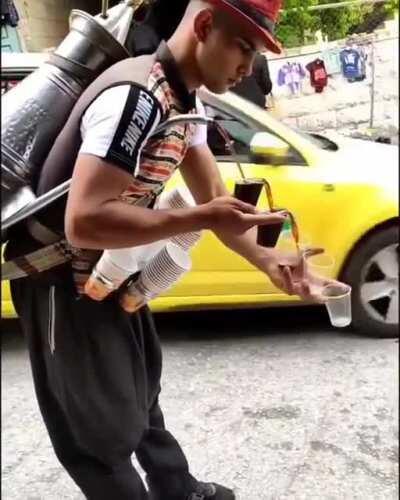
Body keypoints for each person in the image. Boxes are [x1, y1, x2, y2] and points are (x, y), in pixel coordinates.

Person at [6, 1, 333, 499]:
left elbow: (214, 199)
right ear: (203, 26)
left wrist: (271, 261)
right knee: (96, 435)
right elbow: (84, 219)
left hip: (113, 269)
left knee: (142, 387)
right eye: (242, 47)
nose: (249, 67)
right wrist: (202, 218)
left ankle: (177, 490)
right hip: (58, 281)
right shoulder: (136, 100)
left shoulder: (186, 100)